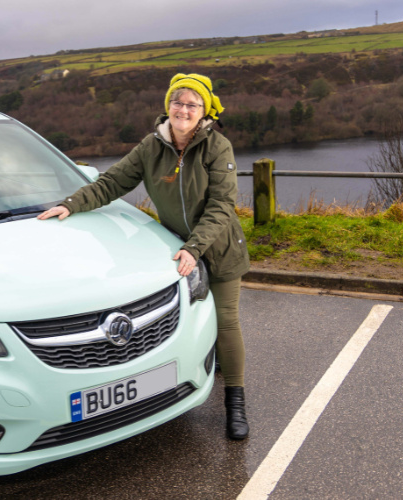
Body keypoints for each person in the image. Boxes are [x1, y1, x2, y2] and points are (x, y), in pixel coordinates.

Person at [37, 73, 251, 440]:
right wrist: (71, 204)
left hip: (219, 247)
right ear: (168, 106)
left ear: (204, 112)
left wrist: (195, 247)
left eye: (192, 104)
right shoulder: (152, 147)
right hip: (176, 247)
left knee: (225, 319)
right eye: (178, 102)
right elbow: (112, 182)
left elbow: (221, 205)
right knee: (188, 318)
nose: (184, 110)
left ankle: (236, 401)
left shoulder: (217, 147)